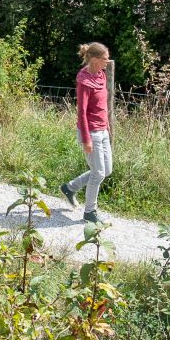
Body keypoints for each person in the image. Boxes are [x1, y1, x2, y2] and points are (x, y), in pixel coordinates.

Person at [62, 41, 111, 222]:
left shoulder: (101, 75)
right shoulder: (84, 80)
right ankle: (90, 212)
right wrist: (86, 139)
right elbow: (81, 111)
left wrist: (108, 127)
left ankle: (70, 187)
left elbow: (102, 106)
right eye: (105, 59)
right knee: (98, 172)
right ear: (94, 59)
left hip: (103, 130)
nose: (107, 62)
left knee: (106, 170)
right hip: (91, 132)